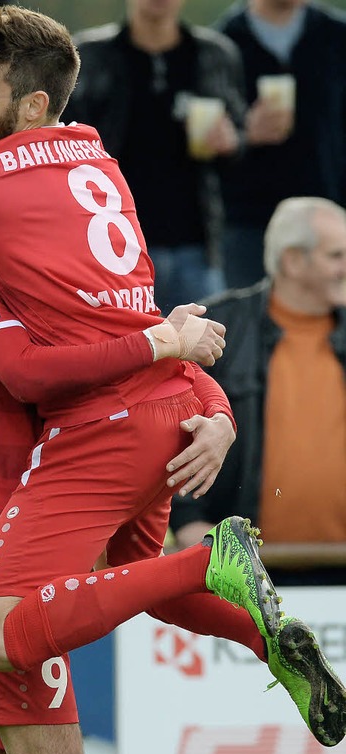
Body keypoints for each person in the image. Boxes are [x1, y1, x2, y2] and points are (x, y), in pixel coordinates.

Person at [0, 5, 346, 749]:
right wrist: (173, 352)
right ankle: (212, 573)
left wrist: (211, 402)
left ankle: (247, 618)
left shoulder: (20, 256)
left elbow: (123, 330)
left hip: (18, 511)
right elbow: (42, 369)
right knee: (32, 669)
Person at [0, 109, 243, 754]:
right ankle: (206, 565)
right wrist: (162, 342)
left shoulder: (43, 279)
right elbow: (34, 374)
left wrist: (218, 413)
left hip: (0, 541)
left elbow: (155, 348)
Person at [171, 197, 346, 587]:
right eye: (337, 255)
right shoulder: (217, 329)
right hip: (242, 575)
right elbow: (169, 422)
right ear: (293, 262)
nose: (345, 267)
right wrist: (186, 520)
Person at [63, 0, 246, 312]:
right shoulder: (89, 55)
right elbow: (62, 140)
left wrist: (232, 142)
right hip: (112, 243)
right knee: (124, 353)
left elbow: (240, 139)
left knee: (204, 354)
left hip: (196, 243)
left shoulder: (215, 55)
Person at [215, 0, 346, 289]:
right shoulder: (222, 43)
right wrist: (245, 134)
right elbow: (200, 144)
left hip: (328, 219)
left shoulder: (336, 36)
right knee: (248, 327)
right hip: (247, 224)